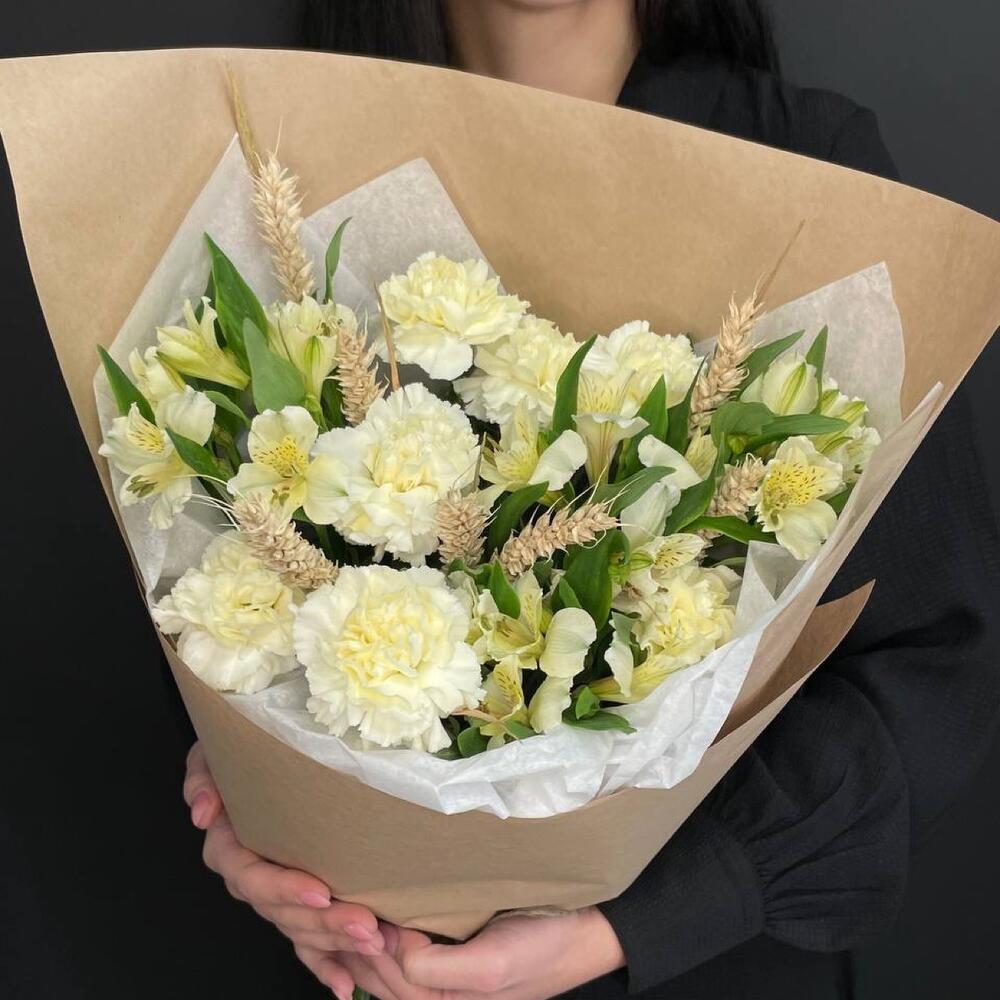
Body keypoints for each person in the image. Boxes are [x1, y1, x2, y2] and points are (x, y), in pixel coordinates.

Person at [182, 2, 1000, 998]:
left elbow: (932, 661)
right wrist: (257, 818)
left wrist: (633, 922)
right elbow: (213, 555)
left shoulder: (807, 164)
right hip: (368, 967)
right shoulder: (287, 160)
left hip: (707, 977)